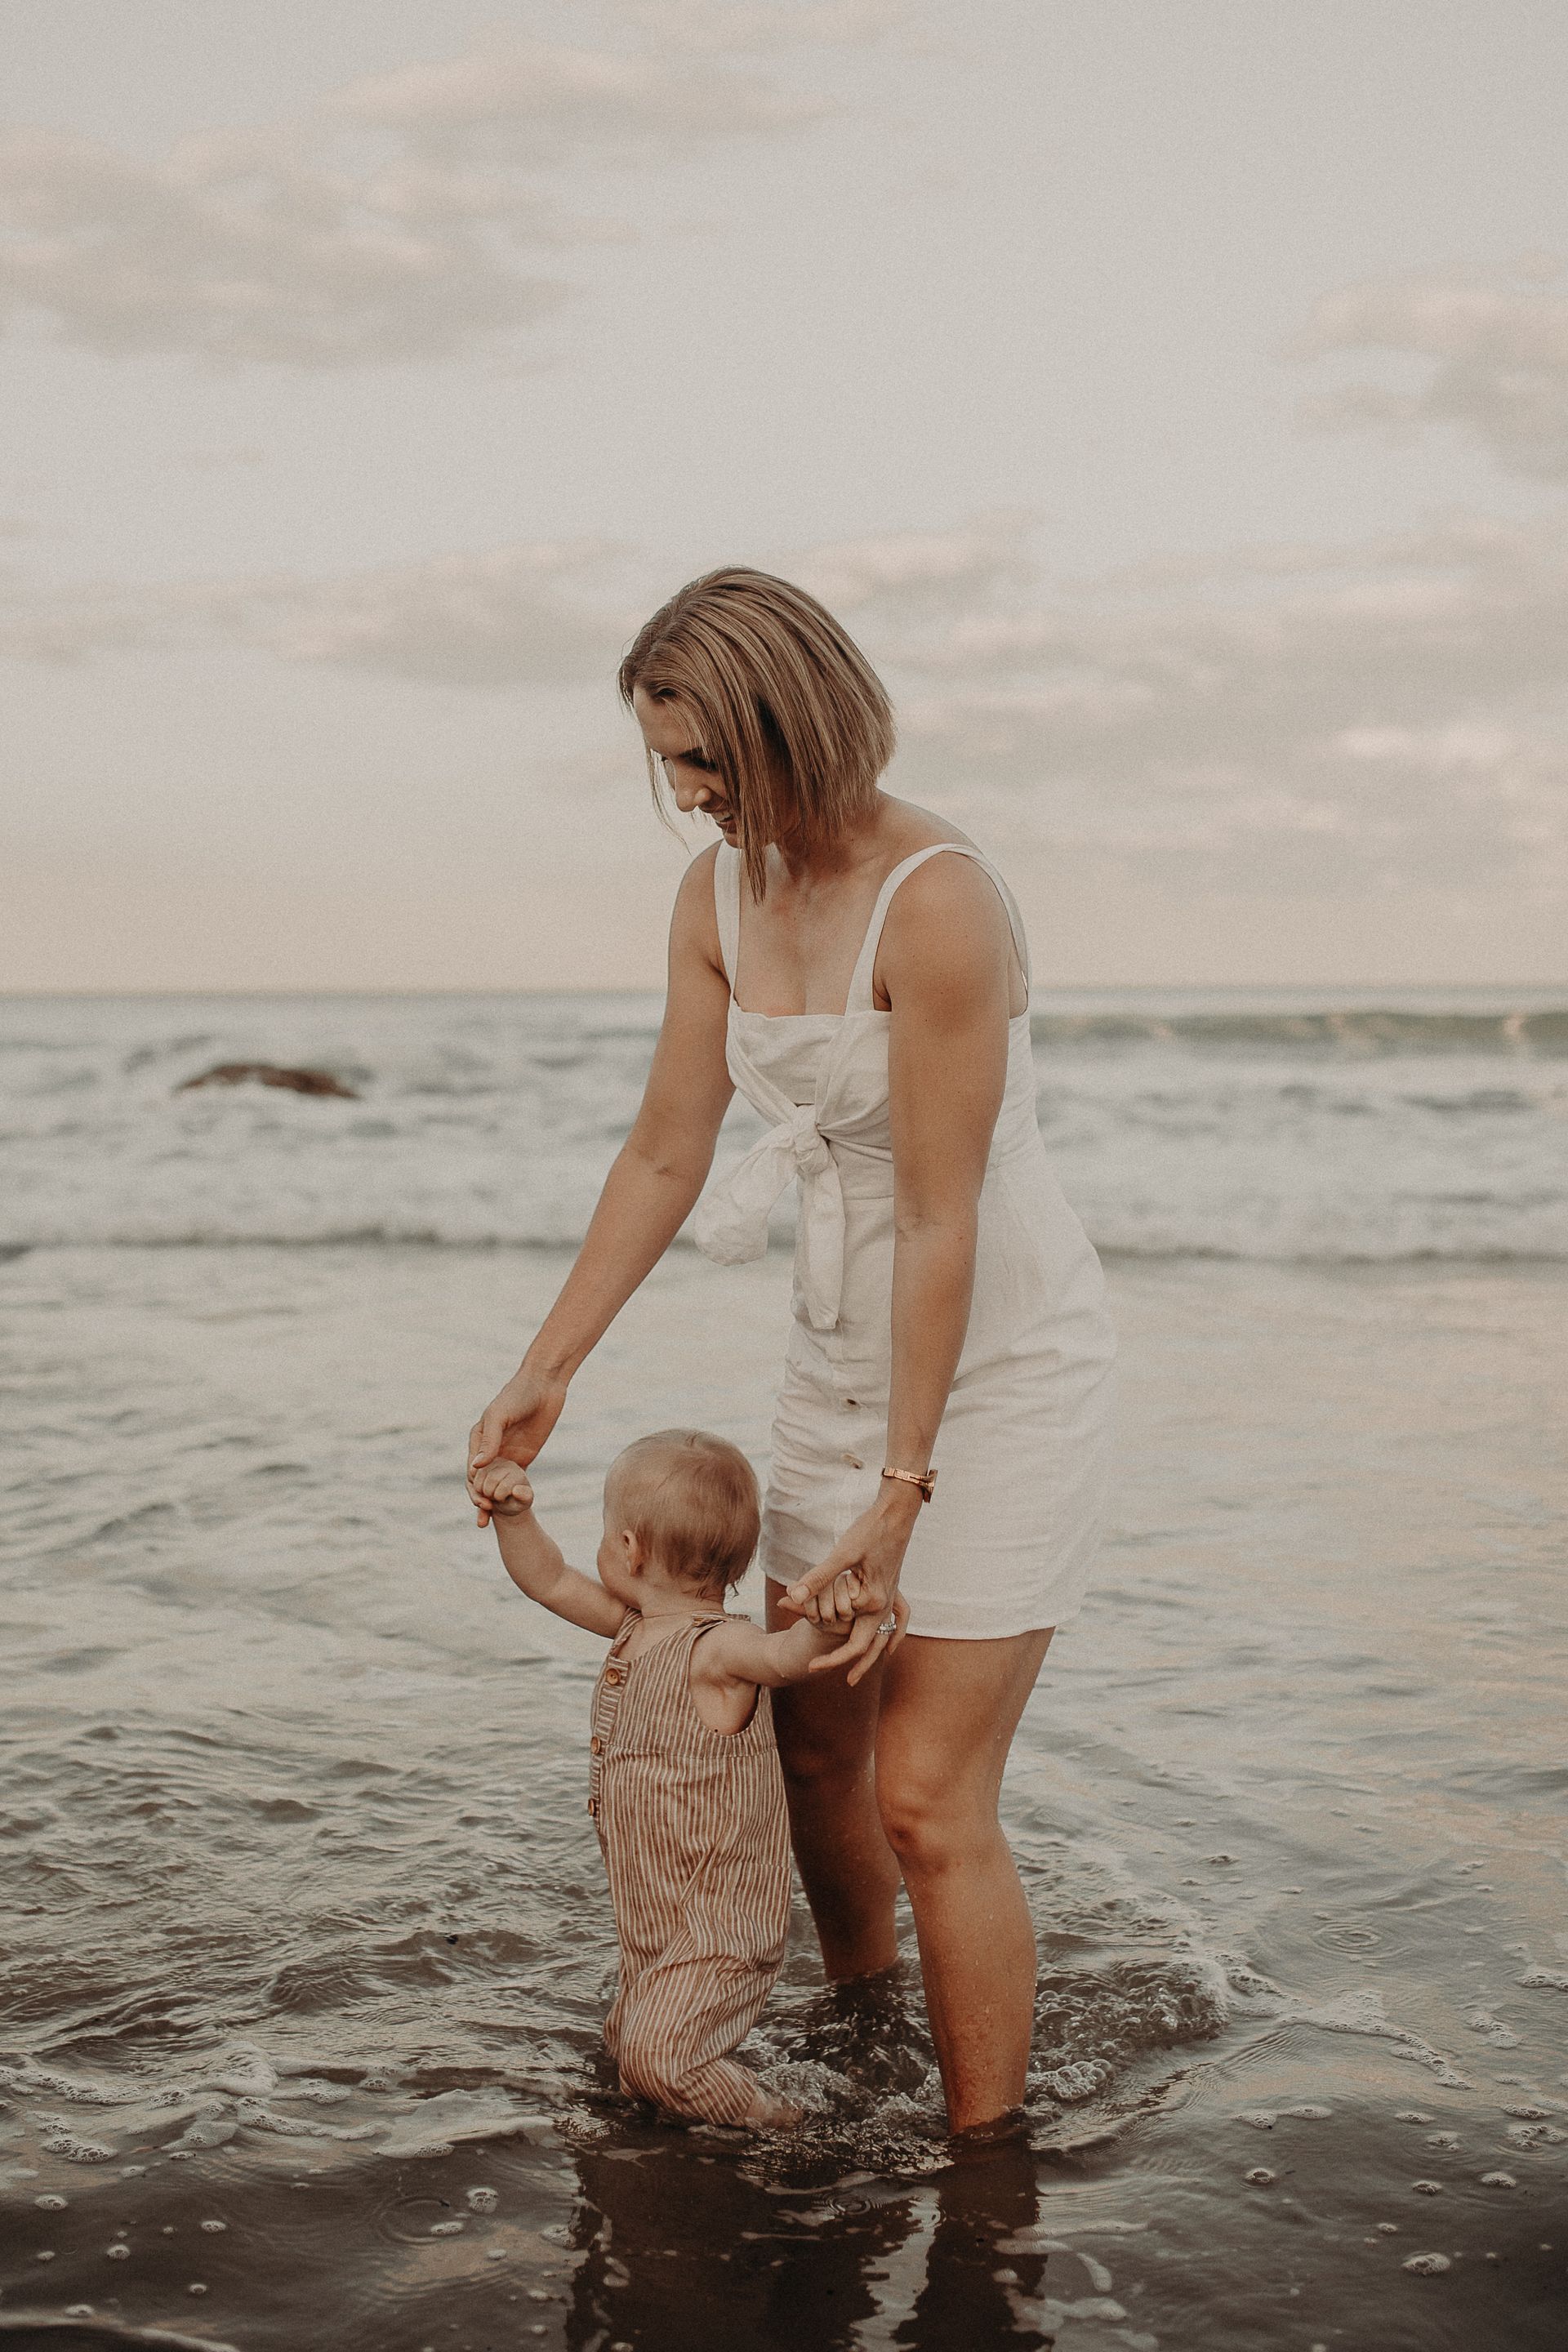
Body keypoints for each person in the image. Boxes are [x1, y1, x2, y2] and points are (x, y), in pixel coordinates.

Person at [469, 567, 1116, 2138]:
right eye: (669, 764)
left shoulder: (940, 899)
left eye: (705, 760)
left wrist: (908, 1487)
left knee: (922, 1794)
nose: (688, 799)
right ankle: (867, 2036)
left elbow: (945, 1220)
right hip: (837, 1362)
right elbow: (663, 1154)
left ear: (791, 722)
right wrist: (547, 1363)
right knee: (815, 1763)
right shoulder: (715, 897)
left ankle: (985, 2171)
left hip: (999, 1370)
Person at [476, 1424, 852, 2130]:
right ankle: (682, 2148)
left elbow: (787, 1657)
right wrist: (514, 1516)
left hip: (719, 1925)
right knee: (628, 2054)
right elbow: (547, 1580)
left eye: (607, 1529)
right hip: (654, 1916)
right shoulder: (633, 1628)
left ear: (628, 1548)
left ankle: (791, 2126)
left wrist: (828, 1625)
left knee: (662, 2062)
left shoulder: (719, 1648)